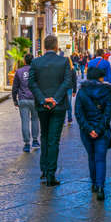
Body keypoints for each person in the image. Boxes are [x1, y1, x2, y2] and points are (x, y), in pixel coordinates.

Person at [28, 35, 72, 186]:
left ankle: (44, 170)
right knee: (54, 140)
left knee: (45, 136)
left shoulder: (36, 62)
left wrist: (42, 99)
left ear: (45, 47)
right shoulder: (64, 61)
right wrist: (56, 99)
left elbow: (31, 83)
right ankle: (51, 174)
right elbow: (68, 82)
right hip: (58, 106)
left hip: (42, 106)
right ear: (56, 46)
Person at [75, 67, 111, 201]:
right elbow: (107, 114)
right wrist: (98, 129)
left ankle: (93, 183)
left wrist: (89, 129)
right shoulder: (107, 92)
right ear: (99, 78)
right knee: (100, 158)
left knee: (91, 157)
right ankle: (100, 187)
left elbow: (79, 114)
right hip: (102, 131)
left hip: (86, 132)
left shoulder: (82, 92)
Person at [12, 53, 40, 153]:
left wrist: (15, 100)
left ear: (24, 61)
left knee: (25, 121)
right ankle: (35, 141)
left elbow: (15, 87)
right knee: (35, 119)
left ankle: (27, 143)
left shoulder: (19, 71)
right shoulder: (36, 71)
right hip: (35, 99)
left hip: (23, 99)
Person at [66, 57, 77, 125]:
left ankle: (68, 119)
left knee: (65, 104)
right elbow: (74, 81)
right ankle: (69, 119)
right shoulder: (72, 70)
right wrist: (74, 91)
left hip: (66, 89)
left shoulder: (72, 70)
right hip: (69, 88)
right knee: (68, 104)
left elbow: (74, 81)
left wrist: (74, 91)